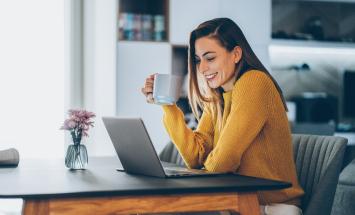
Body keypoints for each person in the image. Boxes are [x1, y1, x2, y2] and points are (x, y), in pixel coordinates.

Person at [141, 18, 304, 215]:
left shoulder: (254, 82)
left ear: (236, 54)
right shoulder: (218, 96)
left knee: (153, 209)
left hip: (271, 208)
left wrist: (203, 170)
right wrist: (167, 104)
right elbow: (195, 157)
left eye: (210, 58)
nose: (201, 69)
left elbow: (222, 162)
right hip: (235, 201)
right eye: (198, 60)